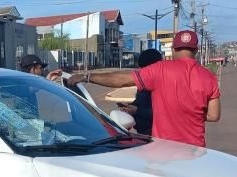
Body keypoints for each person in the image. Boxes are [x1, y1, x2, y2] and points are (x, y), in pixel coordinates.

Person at [67, 30, 220, 147]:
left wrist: (87, 77)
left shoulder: (160, 69)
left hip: (164, 149)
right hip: (196, 149)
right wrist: (188, 112)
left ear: (173, 49)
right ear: (196, 50)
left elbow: (122, 80)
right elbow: (214, 115)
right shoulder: (209, 77)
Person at [119, 49, 162, 136]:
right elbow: (142, 100)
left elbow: (162, 113)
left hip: (154, 134)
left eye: (143, 68)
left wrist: (137, 110)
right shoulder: (145, 81)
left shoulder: (162, 84)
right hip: (141, 131)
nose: (141, 71)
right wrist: (129, 106)